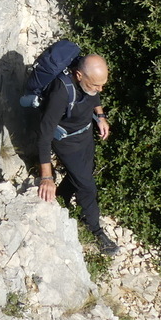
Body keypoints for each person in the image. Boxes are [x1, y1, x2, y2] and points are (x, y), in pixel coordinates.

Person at [36, 53, 117, 255]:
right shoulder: (61, 92)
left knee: (85, 173)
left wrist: (100, 116)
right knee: (87, 186)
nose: (100, 89)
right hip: (67, 142)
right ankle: (95, 229)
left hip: (85, 133)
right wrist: (47, 176)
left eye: (102, 84)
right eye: (96, 84)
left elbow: (93, 95)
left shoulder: (88, 83)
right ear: (79, 75)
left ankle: (62, 196)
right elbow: (44, 135)